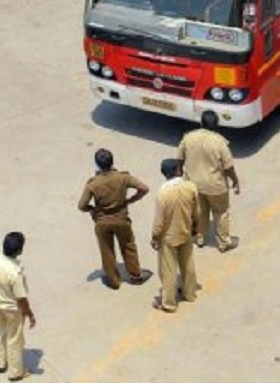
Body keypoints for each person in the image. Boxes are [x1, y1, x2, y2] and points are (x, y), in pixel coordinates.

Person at [77, 148, 150, 290]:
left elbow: (81, 205)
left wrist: (92, 209)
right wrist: (130, 200)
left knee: (107, 250)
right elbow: (144, 188)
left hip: (102, 221)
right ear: (112, 162)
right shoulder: (123, 177)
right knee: (128, 246)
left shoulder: (93, 183)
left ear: (97, 165)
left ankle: (114, 280)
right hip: (121, 219)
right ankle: (136, 276)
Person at [178, 110, 241, 252]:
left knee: (199, 212)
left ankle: (199, 238)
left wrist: (180, 170)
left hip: (193, 183)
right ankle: (224, 243)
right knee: (221, 212)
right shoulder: (220, 142)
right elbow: (228, 166)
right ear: (216, 125)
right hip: (215, 186)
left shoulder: (188, 137)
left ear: (201, 123)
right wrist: (235, 181)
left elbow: (180, 157)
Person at [150, 158, 200, 313]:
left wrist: (155, 237)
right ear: (178, 170)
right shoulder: (190, 187)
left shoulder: (163, 193)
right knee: (188, 265)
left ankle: (169, 303)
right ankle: (190, 293)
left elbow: (159, 221)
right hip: (185, 231)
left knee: (168, 271)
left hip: (169, 237)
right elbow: (196, 211)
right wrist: (195, 228)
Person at [0, 232, 35, 381]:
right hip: (12, 309)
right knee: (15, 339)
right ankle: (16, 372)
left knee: (1, 331)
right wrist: (30, 314)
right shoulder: (15, 272)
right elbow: (21, 299)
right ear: (19, 251)